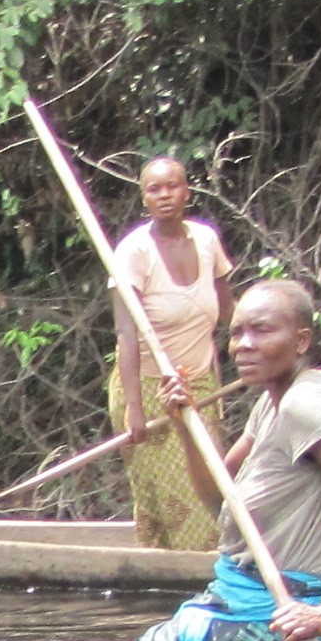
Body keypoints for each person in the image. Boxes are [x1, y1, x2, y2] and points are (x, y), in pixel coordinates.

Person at [97, 276, 321, 641]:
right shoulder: (271, 401)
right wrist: (185, 423)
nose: (243, 344)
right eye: (237, 332)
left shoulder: (306, 403)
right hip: (248, 599)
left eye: (262, 330)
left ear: (300, 341)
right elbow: (221, 503)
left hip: (297, 614)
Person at [107, 153, 235, 550]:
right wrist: (135, 408)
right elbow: (127, 335)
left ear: (187, 191)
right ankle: (178, 573)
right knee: (174, 499)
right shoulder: (134, 253)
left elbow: (229, 309)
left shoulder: (207, 240)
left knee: (211, 487)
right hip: (149, 388)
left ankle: (209, 567)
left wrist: (256, 355)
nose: (165, 195)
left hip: (200, 384)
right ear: (144, 198)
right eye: (154, 189)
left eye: (173, 186)